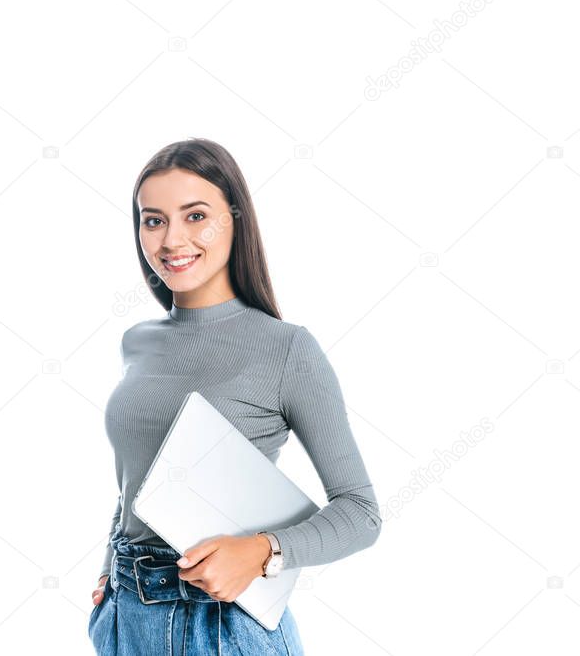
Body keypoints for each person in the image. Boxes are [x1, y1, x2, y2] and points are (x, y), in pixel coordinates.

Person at [87, 138, 382, 655]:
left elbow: (361, 512)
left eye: (195, 215)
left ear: (234, 219)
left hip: (221, 628)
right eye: (153, 220)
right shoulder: (137, 342)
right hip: (125, 620)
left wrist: (264, 552)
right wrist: (109, 572)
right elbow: (137, 478)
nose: (172, 239)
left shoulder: (287, 349)